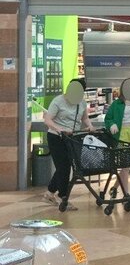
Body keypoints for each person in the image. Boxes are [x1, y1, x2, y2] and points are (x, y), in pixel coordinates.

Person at [42, 78, 94, 210]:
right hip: (56, 137)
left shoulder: (81, 103)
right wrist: (59, 129)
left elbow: (85, 118)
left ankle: (49, 193)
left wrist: (90, 126)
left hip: (71, 138)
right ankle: (63, 197)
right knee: (64, 167)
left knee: (65, 166)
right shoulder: (58, 101)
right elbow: (47, 120)